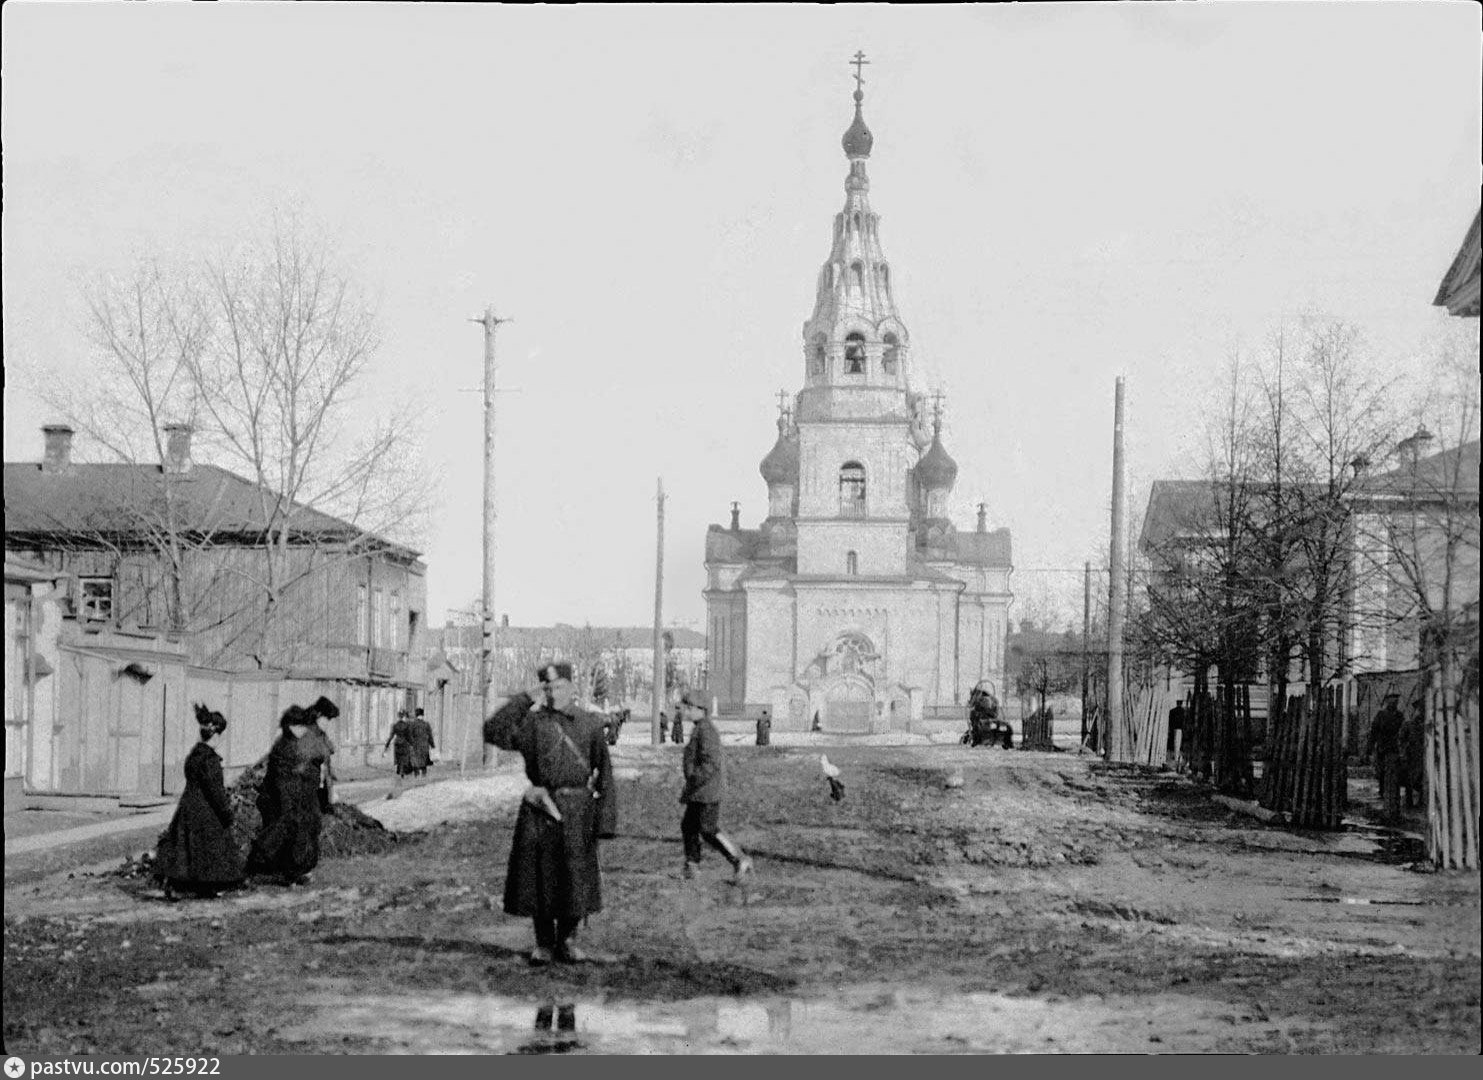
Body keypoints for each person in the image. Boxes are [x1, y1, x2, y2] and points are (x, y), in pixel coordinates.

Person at [483, 663, 617, 966]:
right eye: (548, 688)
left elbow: (605, 775)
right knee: (540, 878)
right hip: (540, 809)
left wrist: (604, 821)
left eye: (559, 687)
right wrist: (523, 699)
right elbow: (492, 731)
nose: (553, 693)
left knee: (575, 878)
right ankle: (543, 943)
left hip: (578, 810)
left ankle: (568, 940)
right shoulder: (533, 723)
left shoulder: (589, 724)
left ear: (572, 688)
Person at [155, 705, 243, 900]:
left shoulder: (194, 756)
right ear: (216, 735)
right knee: (209, 848)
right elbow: (216, 793)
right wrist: (226, 814)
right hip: (206, 811)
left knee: (186, 849)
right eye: (221, 735)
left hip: (188, 807)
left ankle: (180, 886)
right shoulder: (210, 760)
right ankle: (206, 887)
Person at [248, 705, 329, 885]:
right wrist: (290, 804)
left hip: (296, 795)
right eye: (300, 726)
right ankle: (261, 866)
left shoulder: (296, 742)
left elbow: (315, 757)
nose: (304, 730)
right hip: (280, 796)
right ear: (291, 726)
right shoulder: (283, 746)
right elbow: (282, 778)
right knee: (283, 831)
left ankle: (296, 870)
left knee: (304, 829)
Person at [678, 690, 753, 882]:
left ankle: (739, 859)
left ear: (700, 709)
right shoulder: (700, 728)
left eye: (688, 708)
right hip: (699, 790)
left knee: (708, 829)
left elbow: (710, 763)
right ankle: (692, 866)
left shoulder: (706, 730)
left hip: (707, 790)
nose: (685, 711)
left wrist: (694, 778)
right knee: (689, 826)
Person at [1367, 694, 1405, 823]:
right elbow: (1373, 732)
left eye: (1395, 701)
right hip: (1382, 747)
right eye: (1391, 701)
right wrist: (1370, 748)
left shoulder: (1399, 716)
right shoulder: (1381, 715)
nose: (1393, 703)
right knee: (1381, 770)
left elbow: (1402, 731)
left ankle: (1390, 794)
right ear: (1387, 702)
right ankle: (1382, 790)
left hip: (1394, 748)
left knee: (1393, 772)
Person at [302, 695, 340, 811]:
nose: (328, 723)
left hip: (320, 785)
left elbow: (329, 751)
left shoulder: (320, 733)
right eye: (327, 719)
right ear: (318, 715)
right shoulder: (307, 732)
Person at [1399, 701, 1426, 811]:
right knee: (1409, 780)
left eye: (1422, 710)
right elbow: (1401, 740)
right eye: (1418, 710)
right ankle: (1409, 801)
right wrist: (1404, 752)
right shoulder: (1408, 725)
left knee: (1421, 779)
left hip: (1422, 756)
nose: (1420, 713)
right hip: (1411, 756)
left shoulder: (1426, 725)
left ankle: (1421, 801)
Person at [384, 709, 416, 799]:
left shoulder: (395, 725)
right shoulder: (406, 726)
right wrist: (413, 744)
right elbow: (409, 737)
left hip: (397, 743)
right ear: (404, 716)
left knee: (399, 758)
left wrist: (386, 746)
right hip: (404, 744)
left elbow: (391, 736)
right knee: (404, 758)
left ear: (398, 716)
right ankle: (402, 772)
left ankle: (400, 770)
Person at [409, 707, 436, 777]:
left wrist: (411, 744)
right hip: (425, 746)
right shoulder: (426, 724)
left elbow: (410, 735)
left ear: (416, 715)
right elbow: (430, 736)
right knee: (424, 761)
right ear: (422, 715)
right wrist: (432, 745)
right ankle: (424, 775)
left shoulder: (413, 724)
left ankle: (416, 775)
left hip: (416, 746)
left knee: (416, 761)